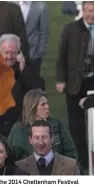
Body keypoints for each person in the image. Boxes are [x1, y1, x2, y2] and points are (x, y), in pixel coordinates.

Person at [56, 1, 94, 170]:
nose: (91, 15)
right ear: (83, 11)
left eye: (94, 11)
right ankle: (82, 161)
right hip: (75, 82)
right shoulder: (70, 29)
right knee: (76, 124)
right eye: (89, 11)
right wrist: (60, 79)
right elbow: (61, 55)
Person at [8, 89, 79, 162]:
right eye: (43, 104)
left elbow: (70, 151)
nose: (47, 107)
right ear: (32, 107)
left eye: (47, 103)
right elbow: (10, 157)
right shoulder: (18, 130)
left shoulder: (57, 124)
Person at [0, 34, 45, 135]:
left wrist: (23, 69)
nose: (9, 56)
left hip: (22, 121)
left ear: (19, 52)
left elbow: (39, 89)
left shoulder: (28, 66)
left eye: (13, 53)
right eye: (6, 53)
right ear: (0, 52)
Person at [16, 120, 80, 175]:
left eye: (44, 137)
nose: (40, 142)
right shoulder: (19, 167)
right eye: (36, 137)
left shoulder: (71, 166)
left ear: (52, 139)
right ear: (30, 140)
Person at [14, 1, 49, 75]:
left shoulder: (41, 7)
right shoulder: (11, 4)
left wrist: (39, 53)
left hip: (33, 53)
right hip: (13, 53)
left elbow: (44, 32)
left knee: (32, 83)